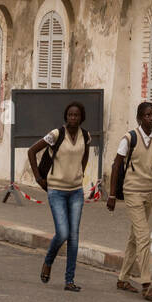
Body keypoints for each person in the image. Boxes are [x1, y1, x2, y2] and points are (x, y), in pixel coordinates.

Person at [107, 101, 152, 301]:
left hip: (148, 193)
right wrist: (111, 195)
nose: (151, 118)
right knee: (144, 235)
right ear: (139, 118)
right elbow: (116, 166)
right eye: (147, 115)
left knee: (135, 237)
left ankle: (123, 278)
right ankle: (146, 284)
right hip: (132, 191)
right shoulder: (129, 138)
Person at [27, 101, 91, 291]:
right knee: (63, 232)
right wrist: (38, 178)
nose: (73, 118)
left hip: (76, 191)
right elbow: (32, 151)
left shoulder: (85, 136)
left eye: (77, 115)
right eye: (70, 115)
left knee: (74, 236)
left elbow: (84, 156)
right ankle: (48, 261)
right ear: (66, 116)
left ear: (81, 117)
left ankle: (69, 280)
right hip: (56, 190)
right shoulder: (56, 135)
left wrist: (80, 173)